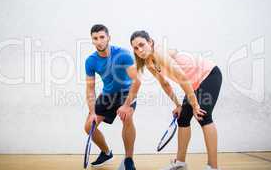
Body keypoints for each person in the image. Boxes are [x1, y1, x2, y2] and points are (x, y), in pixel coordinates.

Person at [129, 30, 222, 170]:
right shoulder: (148, 62)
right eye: (135, 48)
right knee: (183, 117)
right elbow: (165, 84)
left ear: (150, 42)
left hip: (208, 75)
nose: (139, 50)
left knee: (203, 115)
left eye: (142, 44)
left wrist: (195, 105)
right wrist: (178, 105)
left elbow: (182, 78)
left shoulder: (159, 54)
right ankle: (180, 164)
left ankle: (213, 167)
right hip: (193, 83)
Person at [84, 24, 141, 170]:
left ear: (109, 37)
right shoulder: (91, 61)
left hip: (126, 92)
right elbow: (90, 89)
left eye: (102, 37)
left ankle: (129, 160)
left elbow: (137, 80)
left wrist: (127, 104)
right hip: (108, 95)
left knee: (127, 117)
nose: (99, 41)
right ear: (92, 41)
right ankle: (106, 152)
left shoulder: (123, 54)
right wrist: (92, 113)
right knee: (88, 126)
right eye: (95, 38)